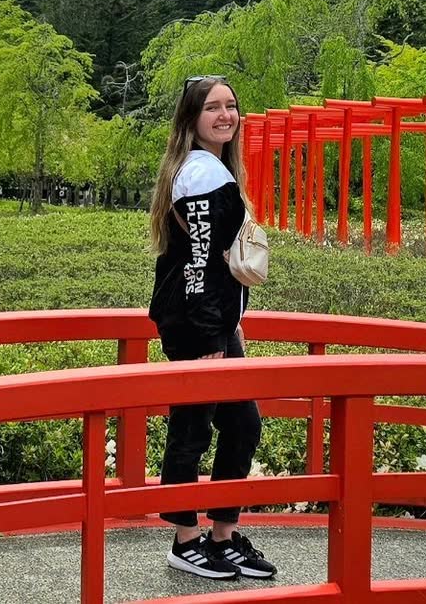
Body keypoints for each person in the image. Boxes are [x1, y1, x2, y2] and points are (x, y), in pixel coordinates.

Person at [147, 75, 277, 582]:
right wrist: (209, 339)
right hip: (196, 326)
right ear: (192, 118)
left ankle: (222, 536)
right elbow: (200, 265)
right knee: (193, 426)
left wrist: (230, 327)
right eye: (213, 108)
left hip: (215, 323)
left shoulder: (212, 168)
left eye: (231, 106)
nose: (226, 116)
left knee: (242, 424)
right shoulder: (201, 174)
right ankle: (185, 540)